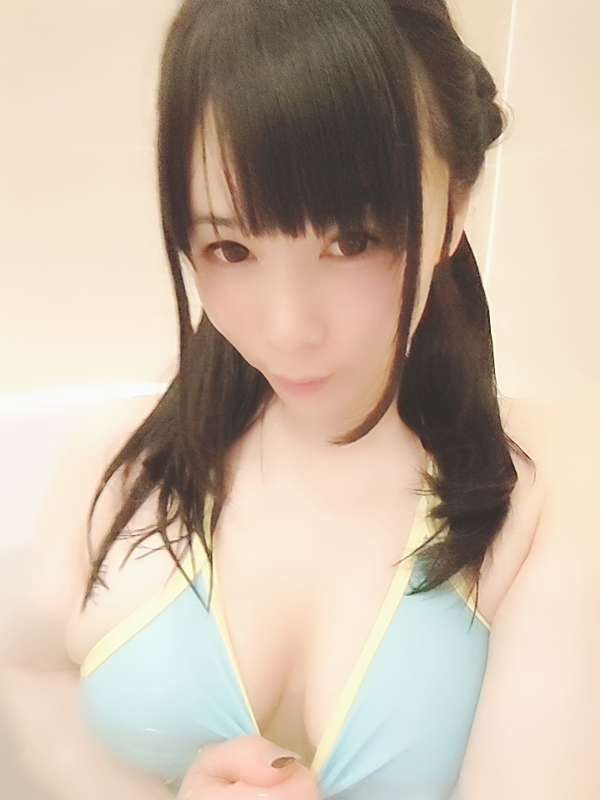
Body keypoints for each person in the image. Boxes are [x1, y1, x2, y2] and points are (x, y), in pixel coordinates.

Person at [2, 1, 598, 799]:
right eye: (230, 247)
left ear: (455, 206)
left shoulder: (553, 491)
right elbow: (29, 675)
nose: (287, 331)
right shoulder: (119, 470)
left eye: (352, 240)